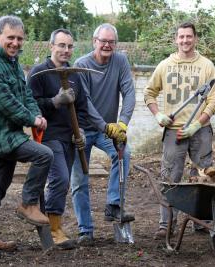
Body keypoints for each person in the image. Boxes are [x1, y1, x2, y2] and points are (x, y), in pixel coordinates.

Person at [0, 15, 53, 251]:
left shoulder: (13, 62)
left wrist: (38, 116)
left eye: (19, 38)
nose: (15, 43)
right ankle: (28, 204)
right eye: (10, 37)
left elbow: (26, 96)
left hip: (10, 133)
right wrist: (31, 119)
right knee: (44, 155)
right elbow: (4, 102)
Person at [144, 22, 215, 239]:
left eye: (189, 36)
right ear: (176, 39)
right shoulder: (165, 65)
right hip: (173, 132)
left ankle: (202, 221)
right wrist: (158, 114)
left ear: (195, 38)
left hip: (201, 131)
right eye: (181, 37)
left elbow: (214, 100)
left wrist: (198, 123)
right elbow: (149, 93)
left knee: (203, 175)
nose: (185, 41)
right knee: (170, 177)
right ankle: (166, 223)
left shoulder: (206, 66)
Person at [27, 28, 99, 248]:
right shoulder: (39, 73)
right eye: (61, 45)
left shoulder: (75, 74)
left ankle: (53, 223)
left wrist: (84, 132)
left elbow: (83, 108)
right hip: (48, 136)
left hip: (70, 137)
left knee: (62, 183)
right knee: (61, 179)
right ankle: (55, 229)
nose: (66, 50)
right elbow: (30, 106)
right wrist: (55, 101)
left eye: (69, 46)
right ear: (51, 46)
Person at [70, 23, 136, 245]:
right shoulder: (81, 65)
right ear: (94, 41)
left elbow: (129, 93)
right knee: (79, 180)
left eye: (111, 42)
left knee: (123, 155)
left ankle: (113, 205)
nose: (107, 45)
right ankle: (85, 230)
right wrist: (106, 126)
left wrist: (122, 124)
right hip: (81, 130)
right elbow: (85, 103)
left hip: (107, 129)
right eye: (103, 41)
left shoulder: (120, 61)